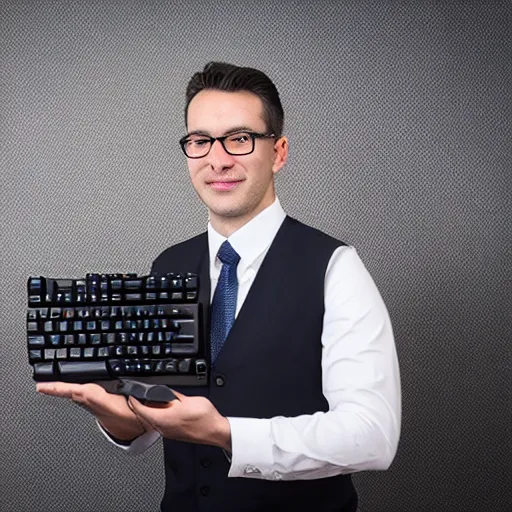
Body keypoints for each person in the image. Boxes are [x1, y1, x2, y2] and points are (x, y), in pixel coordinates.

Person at [37, 62, 401, 512]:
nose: (218, 158)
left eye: (240, 138)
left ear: (279, 152)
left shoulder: (335, 268)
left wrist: (226, 433)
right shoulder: (168, 266)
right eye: (200, 141)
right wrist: (123, 421)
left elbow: (372, 435)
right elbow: (157, 417)